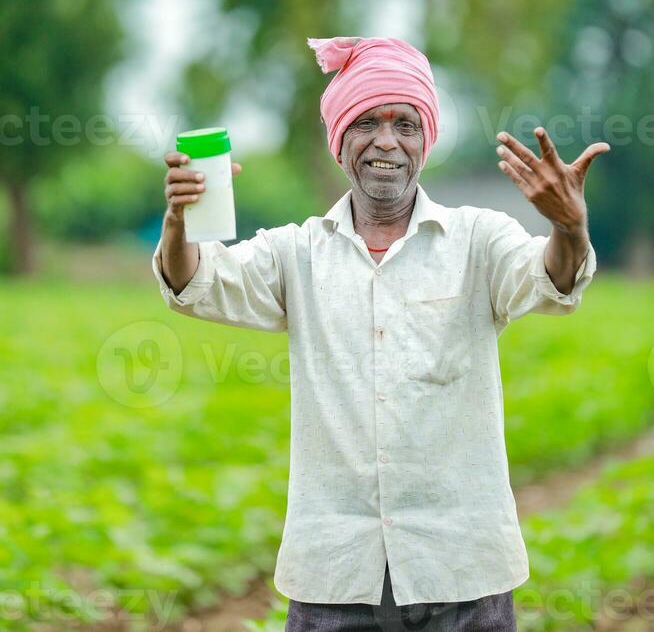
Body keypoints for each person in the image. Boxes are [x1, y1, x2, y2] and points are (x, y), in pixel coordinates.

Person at [152, 36, 610, 632]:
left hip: (462, 570)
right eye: (366, 122)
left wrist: (570, 228)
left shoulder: (477, 240)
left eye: (405, 124)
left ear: (426, 140)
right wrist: (177, 224)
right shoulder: (298, 252)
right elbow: (198, 283)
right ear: (340, 141)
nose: (387, 141)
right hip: (334, 574)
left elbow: (550, 279)